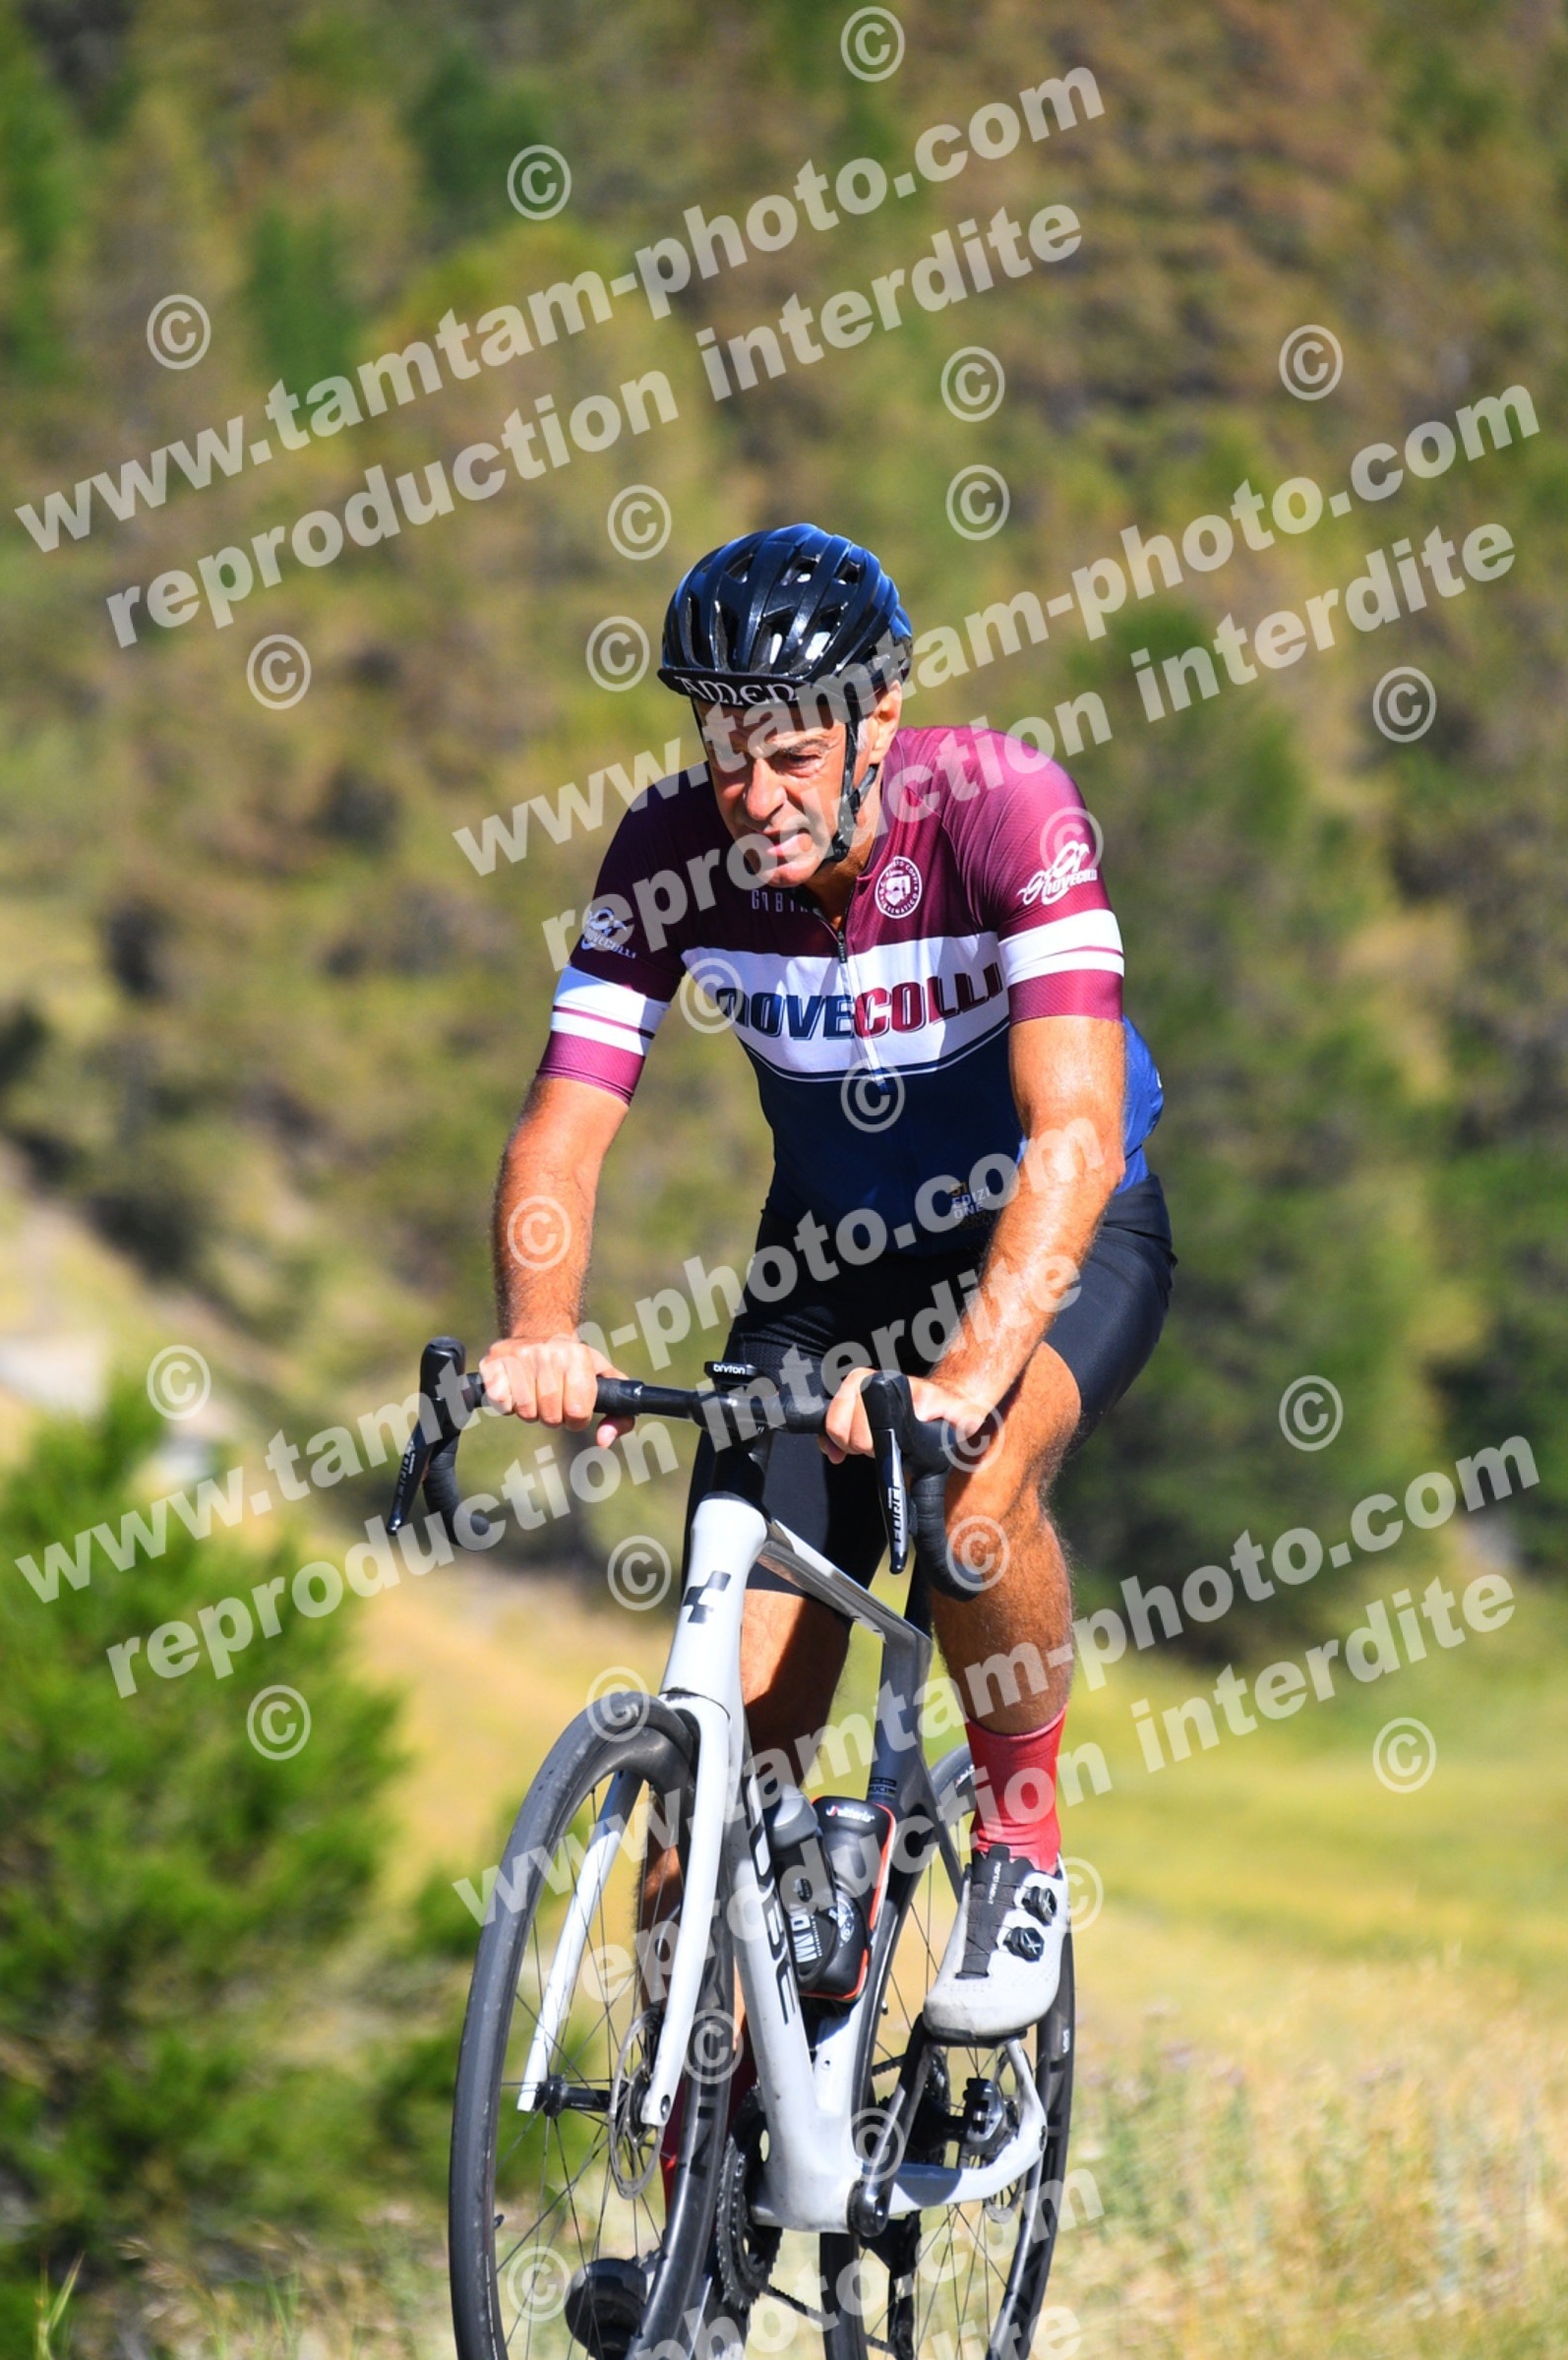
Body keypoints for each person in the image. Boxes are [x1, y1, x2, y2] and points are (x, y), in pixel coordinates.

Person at [480, 522, 1173, 2039]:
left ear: (881, 716)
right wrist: (541, 1329)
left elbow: (1072, 1132)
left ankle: (1020, 1851)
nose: (756, 795)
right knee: (727, 1729)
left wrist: (961, 1385)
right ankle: (695, 2147)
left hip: (1051, 1231)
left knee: (974, 1503)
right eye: (726, 753)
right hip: (833, 1263)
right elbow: (563, 1130)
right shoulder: (667, 852)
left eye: (792, 753)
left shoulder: (1003, 808)